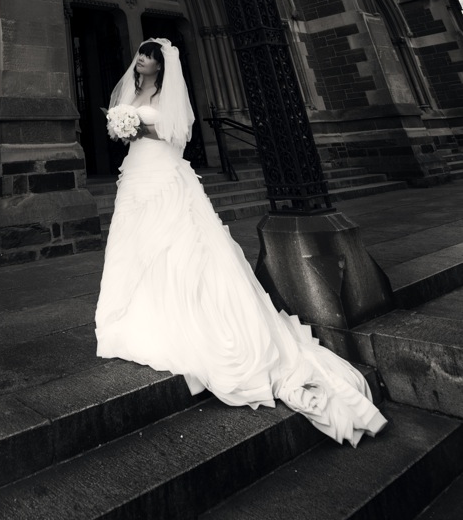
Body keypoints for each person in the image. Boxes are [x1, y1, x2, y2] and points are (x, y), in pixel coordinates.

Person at [94, 38, 387, 446]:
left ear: (161, 66)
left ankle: (181, 315)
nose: (140, 60)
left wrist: (139, 126)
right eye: (140, 55)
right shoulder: (132, 89)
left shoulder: (167, 94)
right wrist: (122, 126)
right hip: (136, 173)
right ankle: (137, 308)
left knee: (176, 243)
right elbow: (129, 137)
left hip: (164, 174)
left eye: (148, 57)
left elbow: (177, 134)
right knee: (136, 243)